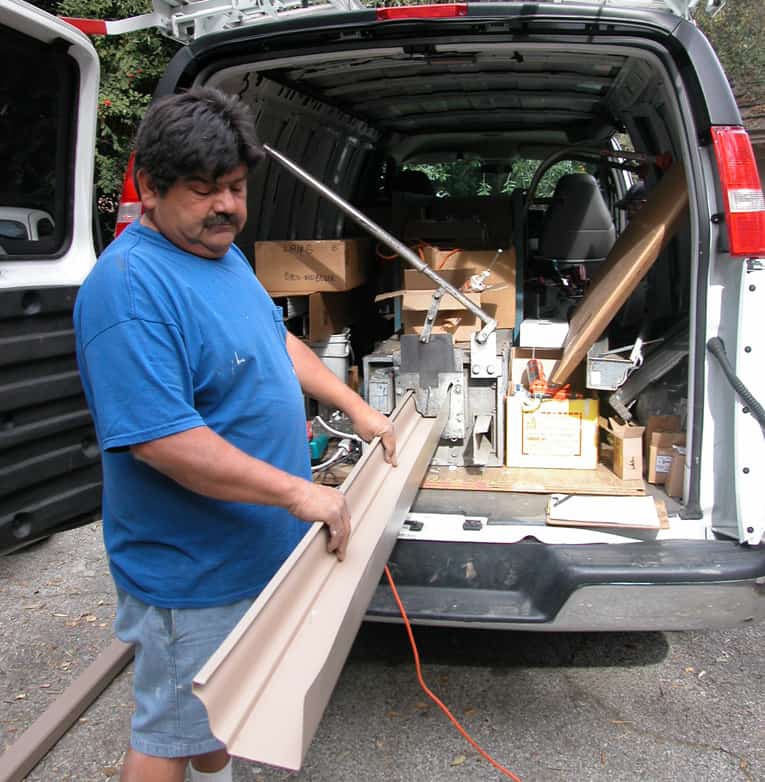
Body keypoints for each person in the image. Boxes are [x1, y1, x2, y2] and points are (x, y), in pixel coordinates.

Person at [73, 87, 396, 782]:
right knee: (167, 729)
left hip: (253, 552)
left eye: (236, 188)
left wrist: (357, 408)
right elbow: (163, 442)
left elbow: (275, 344)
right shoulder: (129, 288)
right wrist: (295, 494)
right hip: (191, 570)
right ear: (152, 189)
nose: (227, 206)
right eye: (204, 190)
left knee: (221, 708)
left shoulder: (222, 258)